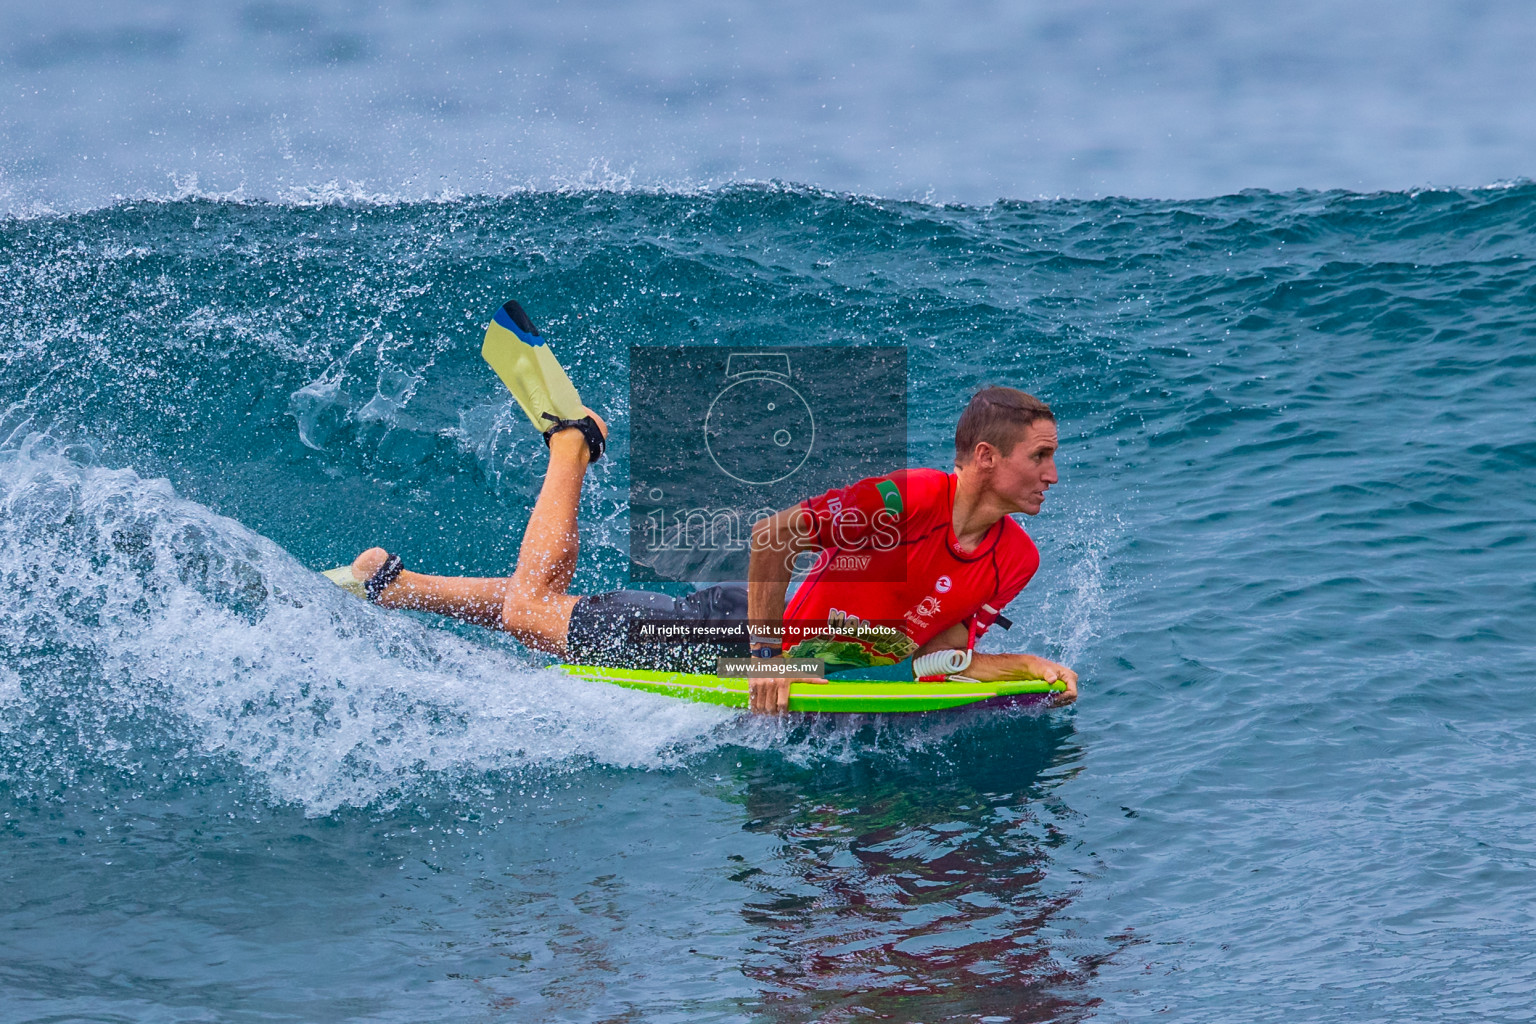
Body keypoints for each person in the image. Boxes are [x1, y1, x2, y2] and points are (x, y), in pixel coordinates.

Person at [328, 387, 1077, 713]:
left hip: (765, 636)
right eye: (1038, 457)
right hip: (735, 640)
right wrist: (769, 658)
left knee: (556, 613)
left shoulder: (1017, 560)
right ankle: (571, 442)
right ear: (985, 456)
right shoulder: (906, 500)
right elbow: (773, 537)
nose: (1050, 474)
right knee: (533, 614)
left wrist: (1021, 667)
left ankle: (392, 584)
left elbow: (936, 655)